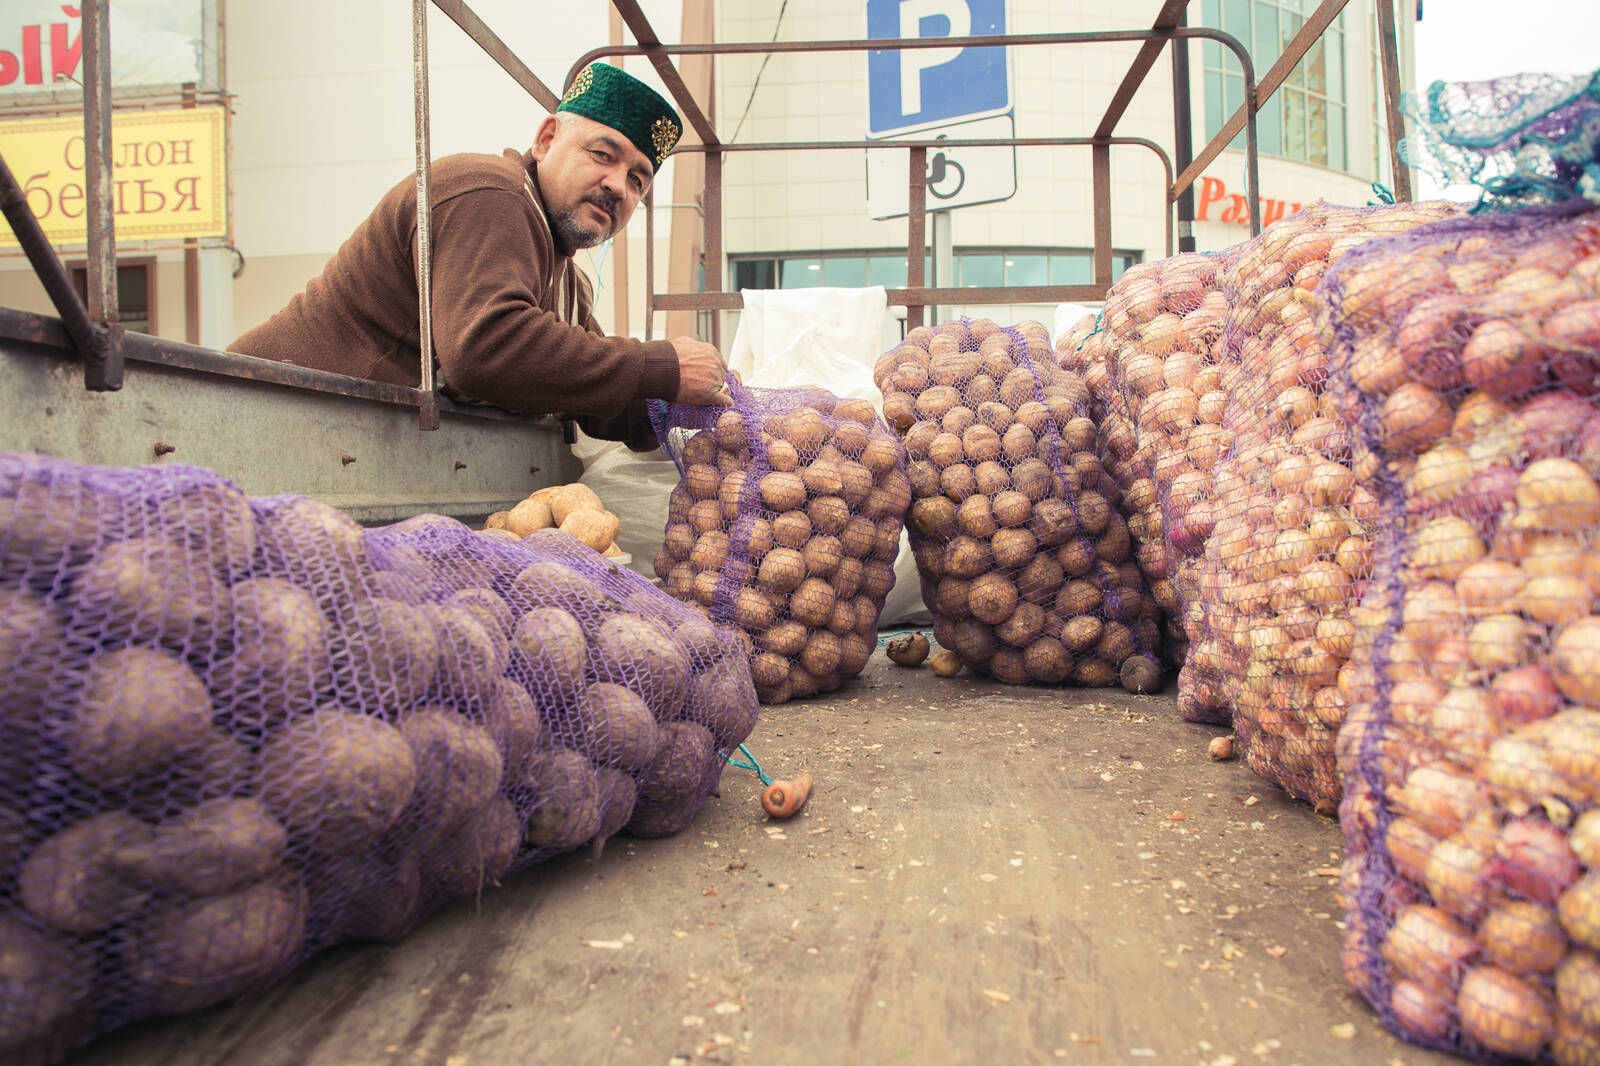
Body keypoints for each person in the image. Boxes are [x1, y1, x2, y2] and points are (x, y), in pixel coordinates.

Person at [229, 61, 731, 450]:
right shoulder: (490, 193)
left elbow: (594, 395)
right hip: (261, 424)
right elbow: (487, 348)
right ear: (547, 138)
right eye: (603, 155)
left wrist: (693, 408)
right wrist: (660, 366)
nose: (617, 186)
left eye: (638, 180)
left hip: (345, 449)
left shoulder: (567, 283)